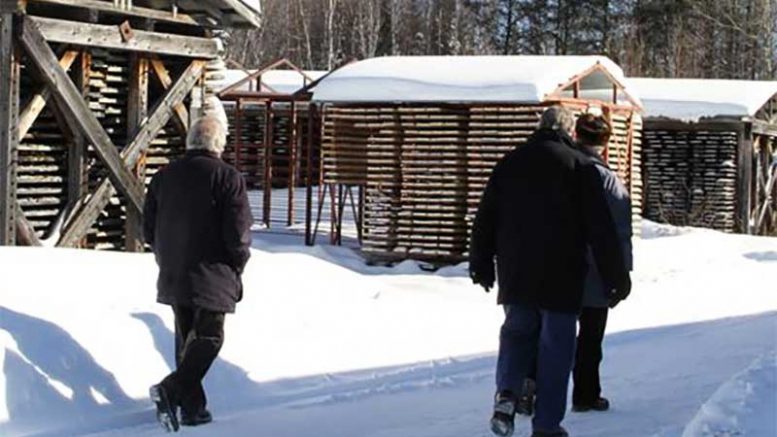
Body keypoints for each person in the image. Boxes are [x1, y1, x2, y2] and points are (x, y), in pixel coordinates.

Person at [469, 106, 631, 437]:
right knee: (556, 348)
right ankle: (546, 425)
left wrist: (481, 263)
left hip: (516, 272)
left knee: (516, 333)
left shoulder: (510, 162)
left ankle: (507, 394)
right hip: (562, 274)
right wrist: (616, 278)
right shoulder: (580, 168)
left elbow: (486, 217)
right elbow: (601, 230)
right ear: (570, 132)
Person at [143, 116, 252, 432]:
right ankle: (170, 389)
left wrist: (164, 253)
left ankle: (193, 409)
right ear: (219, 143)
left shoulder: (164, 176)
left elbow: (147, 227)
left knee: (186, 338)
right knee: (209, 337)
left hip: (174, 269)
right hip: (213, 270)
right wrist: (238, 262)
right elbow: (238, 232)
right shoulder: (227, 177)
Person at [571, 114, 633, 412]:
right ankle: (585, 394)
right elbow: (619, 229)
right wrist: (622, 272)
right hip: (596, 269)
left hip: (559, 266)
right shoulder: (604, 177)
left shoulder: (562, 168)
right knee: (590, 338)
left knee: (552, 334)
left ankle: (538, 391)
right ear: (605, 142)